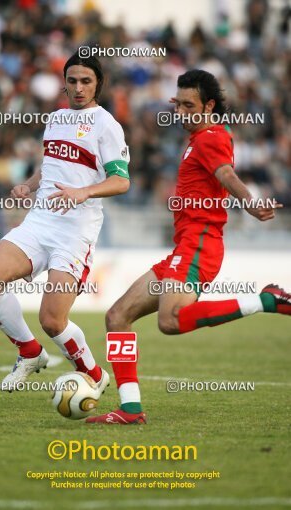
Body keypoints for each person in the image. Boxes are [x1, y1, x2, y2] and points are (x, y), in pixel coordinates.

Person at [86, 69, 291, 425]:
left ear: (209, 105)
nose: (180, 112)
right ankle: (131, 409)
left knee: (171, 320)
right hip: (184, 248)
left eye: (188, 105)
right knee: (117, 317)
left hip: (199, 244)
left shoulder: (211, 137)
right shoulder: (197, 138)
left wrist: (250, 200)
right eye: (177, 104)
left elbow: (226, 174)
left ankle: (265, 300)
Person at [0, 52, 130, 394]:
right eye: (72, 80)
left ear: (98, 84)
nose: (78, 87)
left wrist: (83, 192)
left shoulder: (106, 125)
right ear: (64, 83)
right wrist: (28, 186)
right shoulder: (57, 118)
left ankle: (93, 374)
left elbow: (121, 181)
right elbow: (51, 164)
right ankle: (29, 353)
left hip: (74, 234)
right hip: (38, 222)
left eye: (86, 81)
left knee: (52, 321)